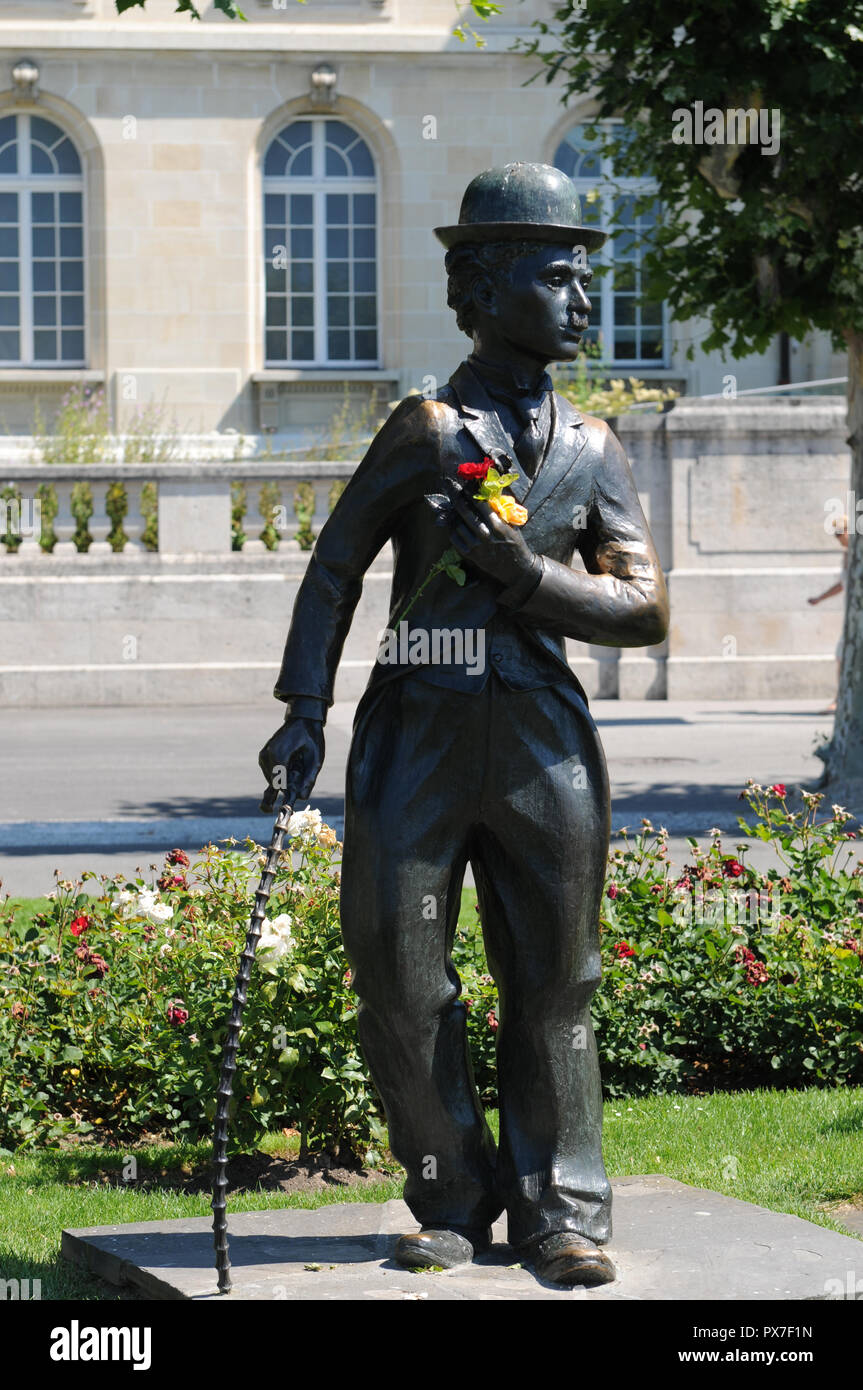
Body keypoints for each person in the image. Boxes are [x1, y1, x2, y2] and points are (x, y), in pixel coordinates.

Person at [258, 163, 669, 1286]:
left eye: (585, 277)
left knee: (556, 977)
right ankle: (449, 1191)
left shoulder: (592, 449)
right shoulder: (425, 431)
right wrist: (302, 711)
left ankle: (560, 1211)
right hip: (417, 733)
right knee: (399, 970)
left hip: (540, 736)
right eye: (554, 276)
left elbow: (642, 607)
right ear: (479, 290)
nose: (581, 299)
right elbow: (333, 567)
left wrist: (525, 578)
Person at [808, 514, 849, 714]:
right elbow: (842, 584)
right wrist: (820, 598)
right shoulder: (848, 556)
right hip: (852, 616)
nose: (838, 538)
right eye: (835, 535)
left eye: (840, 533)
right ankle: (840, 699)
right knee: (842, 655)